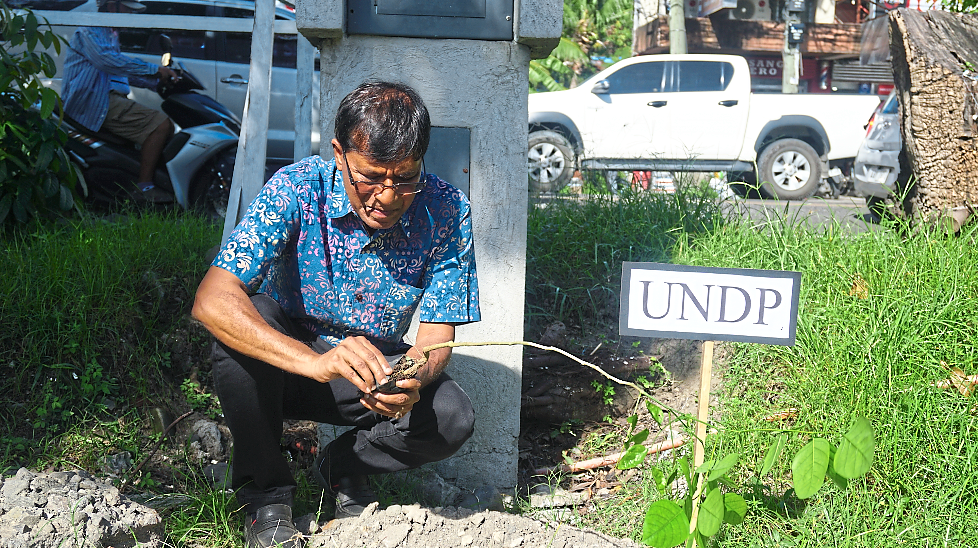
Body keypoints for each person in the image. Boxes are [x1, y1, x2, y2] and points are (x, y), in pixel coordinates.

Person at [192, 81, 480, 548]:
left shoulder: (447, 211)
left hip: (371, 375)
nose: (388, 196)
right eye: (371, 177)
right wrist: (314, 361)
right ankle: (265, 497)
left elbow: (435, 338)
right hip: (285, 365)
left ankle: (342, 467)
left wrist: (410, 377)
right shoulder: (297, 187)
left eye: (405, 178)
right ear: (339, 154)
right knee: (247, 317)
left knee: (451, 417)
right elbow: (211, 300)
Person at [61, 0, 178, 203]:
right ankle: (144, 187)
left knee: (166, 129)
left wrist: (155, 82)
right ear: (111, 5)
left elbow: (118, 72)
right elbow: (107, 61)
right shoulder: (91, 29)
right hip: (93, 101)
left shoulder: (110, 33)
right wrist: (154, 70)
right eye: (127, 9)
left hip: (106, 98)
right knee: (160, 125)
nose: (130, 14)